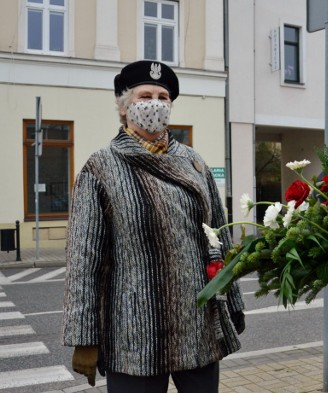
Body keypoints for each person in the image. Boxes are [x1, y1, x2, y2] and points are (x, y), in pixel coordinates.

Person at [62, 60, 245, 393]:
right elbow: (83, 260)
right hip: (135, 334)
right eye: (145, 94)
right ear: (124, 106)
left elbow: (219, 236)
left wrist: (232, 301)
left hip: (197, 326)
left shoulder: (194, 162)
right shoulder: (100, 167)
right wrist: (84, 335)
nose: (155, 103)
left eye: (163, 96)